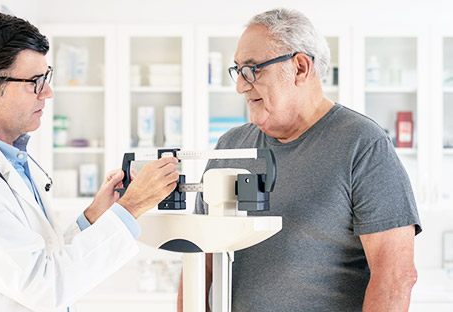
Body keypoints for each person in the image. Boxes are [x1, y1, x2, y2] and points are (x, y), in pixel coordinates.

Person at [0, 12, 179, 312]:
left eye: (47, 77)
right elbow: (44, 286)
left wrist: (94, 217)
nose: (48, 92)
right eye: (34, 82)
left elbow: (44, 257)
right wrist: (131, 206)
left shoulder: (13, 160)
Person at [178, 8, 421, 312]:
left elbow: (394, 277)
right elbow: (200, 262)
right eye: (237, 70)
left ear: (300, 68)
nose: (240, 85)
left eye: (253, 69)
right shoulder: (231, 146)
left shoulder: (363, 146)